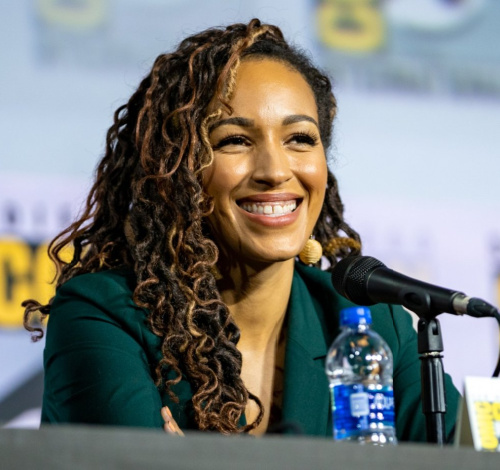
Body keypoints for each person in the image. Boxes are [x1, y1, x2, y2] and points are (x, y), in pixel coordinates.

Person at [23, 18, 459, 439]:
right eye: (234, 140)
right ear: (176, 171)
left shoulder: (375, 326)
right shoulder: (103, 316)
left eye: (300, 139)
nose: (275, 171)